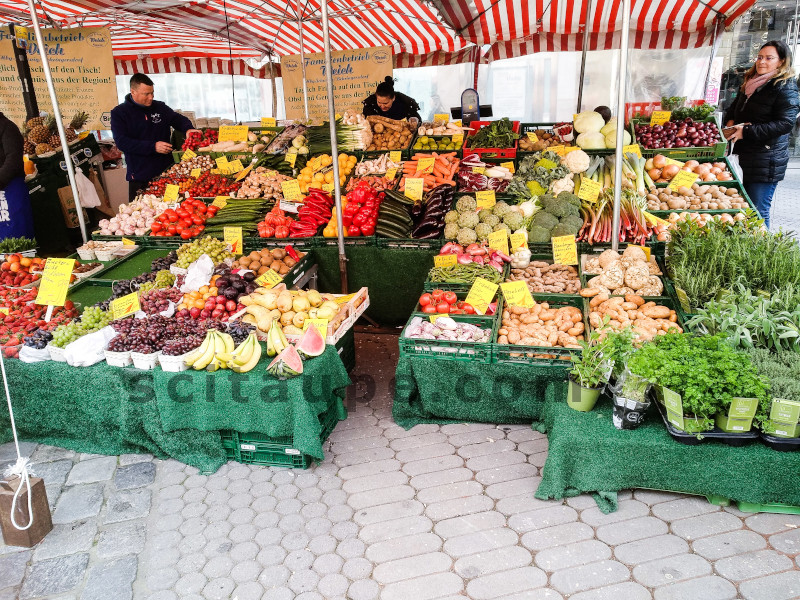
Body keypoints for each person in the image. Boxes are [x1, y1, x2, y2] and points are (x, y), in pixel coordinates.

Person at [724, 40, 800, 228]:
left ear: (781, 61)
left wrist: (747, 131)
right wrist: (730, 122)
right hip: (744, 154)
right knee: (743, 208)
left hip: (766, 159)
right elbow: (735, 108)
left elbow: (785, 124)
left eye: (769, 58)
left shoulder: (785, 87)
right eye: (759, 57)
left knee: (757, 210)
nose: (762, 62)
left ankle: (762, 252)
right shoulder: (751, 82)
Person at [111, 73, 200, 201]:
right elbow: (122, 142)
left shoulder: (159, 107)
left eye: (152, 93)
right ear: (133, 91)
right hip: (140, 175)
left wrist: (188, 128)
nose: (151, 97)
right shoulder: (119, 113)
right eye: (146, 94)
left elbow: (177, 119)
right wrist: (153, 146)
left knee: (172, 209)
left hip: (167, 173)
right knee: (141, 212)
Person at [0, 113, 34, 240]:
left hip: (11, 186)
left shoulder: (7, 127)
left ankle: (24, 256)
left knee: (16, 230)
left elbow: (13, 159)